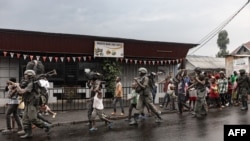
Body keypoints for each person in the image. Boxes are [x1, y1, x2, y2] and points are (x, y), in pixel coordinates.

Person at [14, 70, 52, 139]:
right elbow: (20, 93)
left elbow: (22, 92)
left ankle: (47, 125)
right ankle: (28, 134)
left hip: (32, 103)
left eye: (25, 75)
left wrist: (17, 86)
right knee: (25, 119)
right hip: (27, 103)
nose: (24, 76)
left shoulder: (32, 83)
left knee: (33, 119)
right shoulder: (27, 83)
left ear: (29, 75)